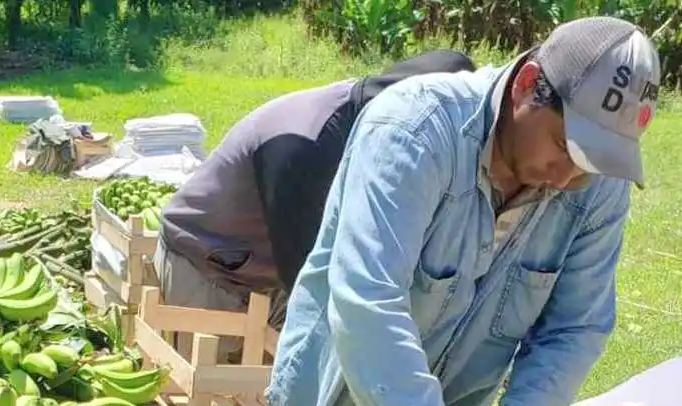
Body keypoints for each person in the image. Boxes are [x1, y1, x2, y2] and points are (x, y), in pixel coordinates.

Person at [262, 17, 661, 406]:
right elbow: (366, 297)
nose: (570, 177)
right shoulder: (414, 129)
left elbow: (577, 326)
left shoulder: (596, 188)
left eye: (594, 162)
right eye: (565, 147)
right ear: (526, 86)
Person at [155, 50, 476, 359]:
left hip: (266, 281)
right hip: (209, 275)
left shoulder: (373, 119)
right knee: (231, 398)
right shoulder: (304, 146)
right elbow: (310, 282)